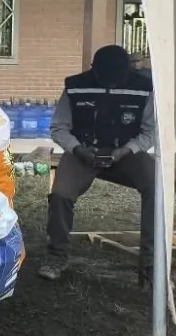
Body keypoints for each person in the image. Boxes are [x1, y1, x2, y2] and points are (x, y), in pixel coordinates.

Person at [39, 44, 155, 281]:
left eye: (118, 78)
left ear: (128, 71)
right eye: (105, 78)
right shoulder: (75, 86)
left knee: (156, 187)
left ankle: (151, 262)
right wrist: (77, 149)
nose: (111, 84)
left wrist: (126, 150)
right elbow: (59, 127)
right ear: (94, 70)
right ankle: (56, 256)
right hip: (82, 152)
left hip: (125, 153)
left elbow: (151, 131)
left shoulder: (144, 88)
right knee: (61, 194)